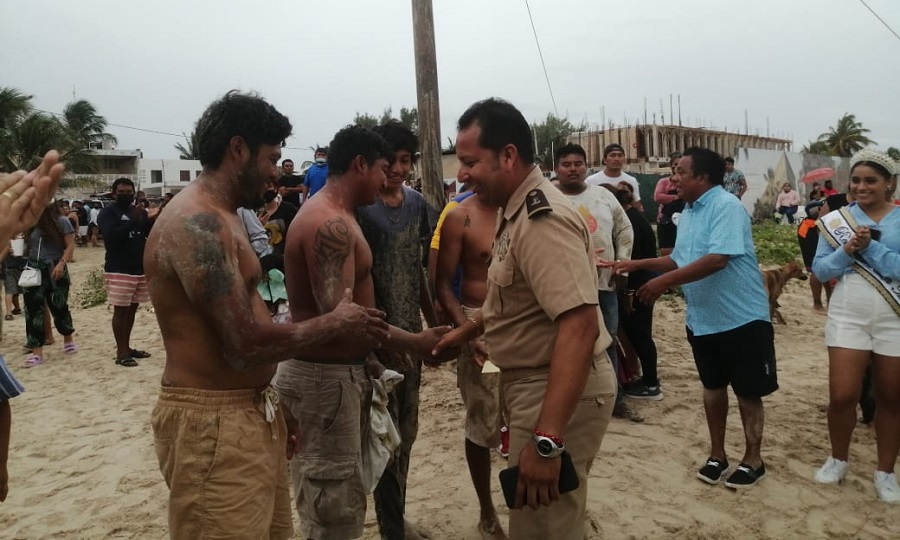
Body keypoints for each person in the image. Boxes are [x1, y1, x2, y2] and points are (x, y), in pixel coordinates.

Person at [144, 92, 391, 540]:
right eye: (272, 157)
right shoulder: (197, 223)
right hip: (212, 424)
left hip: (247, 411)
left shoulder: (227, 216)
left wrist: (271, 407)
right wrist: (334, 323)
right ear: (237, 149)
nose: (278, 171)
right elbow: (242, 345)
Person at [433, 98, 617, 540]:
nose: (462, 174)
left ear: (509, 155)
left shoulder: (541, 219)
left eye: (471, 162)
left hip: (551, 389)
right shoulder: (511, 210)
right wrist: (460, 334)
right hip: (535, 385)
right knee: (552, 520)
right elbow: (509, 301)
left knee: (541, 527)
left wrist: (547, 440)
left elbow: (580, 324)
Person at [275, 124, 451, 540]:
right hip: (324, 381)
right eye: (381, 168)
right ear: (360, 164)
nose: (387, 177)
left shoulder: (342, 216)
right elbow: (345, 319)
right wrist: (414, 342)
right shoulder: (328, 225)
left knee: (345, 501)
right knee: (331, 512)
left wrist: (374, 357)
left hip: (342, 377)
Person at [613, 147, 777, 490]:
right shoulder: (688, 211)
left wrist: (662, 283)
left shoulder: (726, 206)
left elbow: (718, 259)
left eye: (680, 172)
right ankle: (718, 454)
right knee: (713, 388)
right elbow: (680, 259)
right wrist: (637, 265)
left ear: (702, 177)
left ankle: (753, 459)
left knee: (747, 392)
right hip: (703, 318)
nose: (673, 178)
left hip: (742, 317)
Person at [356, 120, 437, 539]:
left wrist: (433, 322)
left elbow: (416, 270)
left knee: (407, 433)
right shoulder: (361, 209)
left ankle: (396, 517)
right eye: (393, 161)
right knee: (380, 437)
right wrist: (370, 348)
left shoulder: (419, 205)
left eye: (407, 160)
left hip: (412, 339)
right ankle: (390, 527)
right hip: (376, 341)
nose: (401, 169)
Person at [811, 149, 900, 503]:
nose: (862, 187)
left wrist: (870, 249)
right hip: (848, 313)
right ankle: (838, 458)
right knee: (842, 395)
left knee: (891, 398)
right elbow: (820, 271)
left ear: (889, 183)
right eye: (857, 180)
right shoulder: (837, 220)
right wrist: (848, 249)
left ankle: (885, 472)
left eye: (871, 180)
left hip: (893, 317)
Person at [434, 190, 507, 539]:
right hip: (481, 338)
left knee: (529, 416)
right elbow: (443, 283)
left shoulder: (530, 210)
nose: (469, 170)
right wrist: (466, 333)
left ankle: (526, 501)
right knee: (483, 419)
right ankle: (487, 511)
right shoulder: (460, 216)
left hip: (525, 330)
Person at [554, 143, 638, 421]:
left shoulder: (603, 195)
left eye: (578, 163)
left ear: (586, 166)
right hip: (563, 287)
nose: (573, 169)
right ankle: (568, 402)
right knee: (565, 343)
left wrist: (622, 263)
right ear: (557, 168)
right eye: (566, 164)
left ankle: (615, 399)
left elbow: (624, 228)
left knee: (609, 341)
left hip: (605, 284)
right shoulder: (548, 198)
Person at [0, 153, 62, 503]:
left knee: (54, 309)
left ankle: (51, 339)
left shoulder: (56, 225)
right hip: (30, 271)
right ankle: (38, 344)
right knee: (35, 310)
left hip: (50, 270)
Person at [98, 177, 158, 367]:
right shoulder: (108, 212)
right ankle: (121, 351)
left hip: (138, 268)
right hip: (119, 268)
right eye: (121, 192)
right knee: (120, 311)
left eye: (129, 191)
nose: (126, 195)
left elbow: (146, 231)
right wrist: (134, 219)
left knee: (132, 309)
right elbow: (112, 235)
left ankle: (127, 346)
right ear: (114, 193)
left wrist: (154, 217)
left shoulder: (136, 211)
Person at [615, 181, 662, 401]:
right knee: (640, 335)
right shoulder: (635, 217)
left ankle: (651, 384)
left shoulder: (630, 222)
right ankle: (647, 379)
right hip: (643, 281)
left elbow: (631, 258)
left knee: (640, 335)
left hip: (638, 285)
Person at [21, 202, 78, 368]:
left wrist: (61, 263)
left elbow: (70, 245)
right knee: (32, 310)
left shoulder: (61, 221)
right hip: (33, 267)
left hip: (54, 266)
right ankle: (36, 352)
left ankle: (68, 338)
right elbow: (30, 247)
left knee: (59, 306)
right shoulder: (30, 223)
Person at [585, 143, 643, 212]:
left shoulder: (631, 180)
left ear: (624, 159)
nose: (616, 159)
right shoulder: (591, 181)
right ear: (605, 160)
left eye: (620, 155)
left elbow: (637, 206)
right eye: (612, 155)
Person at [797, 200, 831, 312]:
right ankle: (818, 303)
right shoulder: (809, 225)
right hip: (813, 253)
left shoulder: (808, 224)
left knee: (826, 274)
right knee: (815, 272)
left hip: (819, 254)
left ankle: (829, 302)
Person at [654, 151, 684, 257]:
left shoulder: (688, 182)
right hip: (666, 221)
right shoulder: (664, 182)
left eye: (680, 165)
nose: (677, 167)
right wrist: (676, 197)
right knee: (667, 253)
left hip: (684, 220)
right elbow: (658, 197)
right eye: (675, 164)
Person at [257, 179, 298, 257]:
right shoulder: (253, 213)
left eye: (269, 186)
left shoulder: (288, 209)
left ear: (276, 189)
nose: (266, 189)